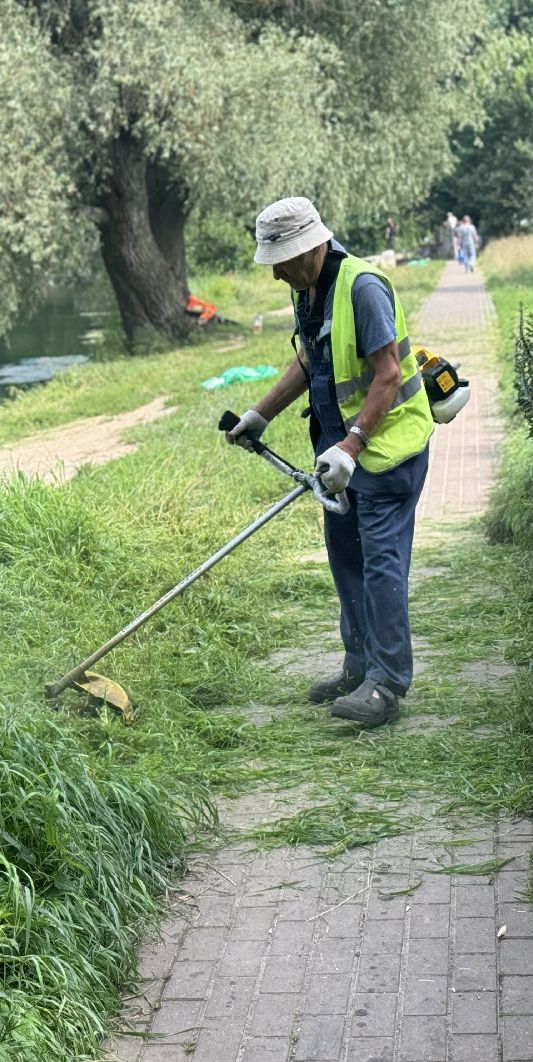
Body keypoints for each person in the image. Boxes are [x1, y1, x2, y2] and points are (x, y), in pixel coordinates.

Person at [224, 196, 433, 728]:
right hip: (340, 458)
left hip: (385, 453)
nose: (275, 274)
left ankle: (386, 686)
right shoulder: (310, 288)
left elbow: (386, 373)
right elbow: (308, 359)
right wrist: (260, 414)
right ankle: (359, 667)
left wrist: (354, 444)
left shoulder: (362, 287)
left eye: (282, 260)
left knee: (381, 565)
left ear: (312, 246)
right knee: (347, 563)